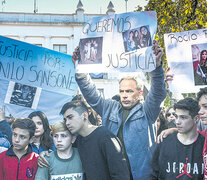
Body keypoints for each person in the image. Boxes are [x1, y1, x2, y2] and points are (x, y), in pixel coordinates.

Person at [72, 40, 166, 179]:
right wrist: (80, 70)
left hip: (142, 176)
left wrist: (156, 67)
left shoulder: (147, 110)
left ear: (140, 93)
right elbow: (91, 94)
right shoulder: (109, 108)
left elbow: (158, 92)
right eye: (122, 91)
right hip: (113, 175)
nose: (124, 95)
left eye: (129, 91)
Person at [39, 100, 130, 180]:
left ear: (84, 115)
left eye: (70, 117)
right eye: (65, 119)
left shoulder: (105, 136)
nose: (67, 123)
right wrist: (44, 154)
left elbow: (121, 174)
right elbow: (63, 154)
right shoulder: (77, 141)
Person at [151, 98, 204, 179]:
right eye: (176, 116)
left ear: (196, 119)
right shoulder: (164, 142)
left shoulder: (204, 145)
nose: (177, 121)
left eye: (183, 117)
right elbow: (154, 173)